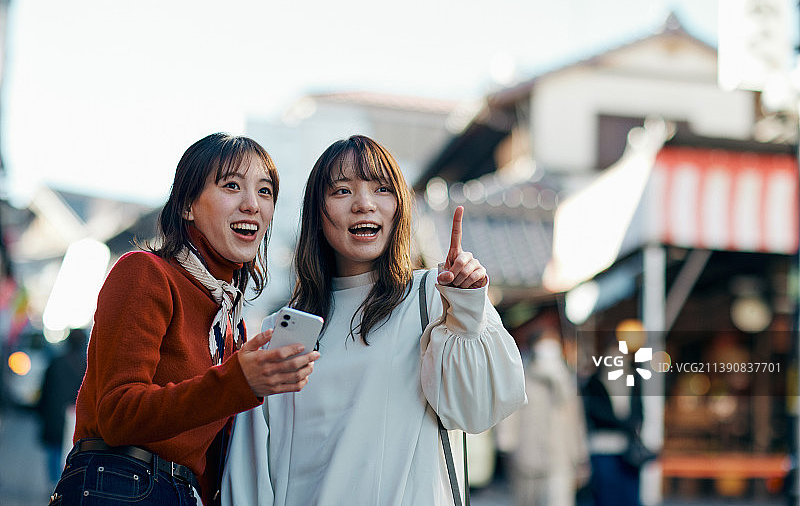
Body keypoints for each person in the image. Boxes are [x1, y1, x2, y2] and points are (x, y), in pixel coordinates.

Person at [222, 134, 527, 506]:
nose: (364, 204)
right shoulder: (280, 332)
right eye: (342, 191)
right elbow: (252, 474)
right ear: (317, 213)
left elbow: (479, 411)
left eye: (382, 189)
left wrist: (466, 309)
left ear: (399, 207)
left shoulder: (436, 296)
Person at [50, 133, 320, 506]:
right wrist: (238, 381)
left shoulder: (231, 323)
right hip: (120, 485)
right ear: (187, 206)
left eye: (265, 191)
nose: (252, 204)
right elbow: (117, 413)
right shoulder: (145, 273)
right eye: (232, 186)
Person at [498, 325, 590, 506]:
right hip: (527, 457)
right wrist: (506, 444)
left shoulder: (565, 379)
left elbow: (576, 421)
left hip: (560, 458)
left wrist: (581, 456)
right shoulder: (521, 377)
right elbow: (509, 415)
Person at [582, 347, 645, 506]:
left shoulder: (632, 382)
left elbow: (639, 411)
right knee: (607, 496)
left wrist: (631, 425)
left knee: (628, 497)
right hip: (603, 450)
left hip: (627, 452)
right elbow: (595, 413)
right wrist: (624, 424)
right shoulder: (594, 384)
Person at [37, 328, 88, 489]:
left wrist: (41, 413)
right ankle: (66, 484)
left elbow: (45, 390)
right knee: (72, 452)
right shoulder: (87, 366)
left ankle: (54, 484)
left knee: (54, 450)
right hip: (76, 417)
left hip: (54, 415)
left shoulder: (56, 362)